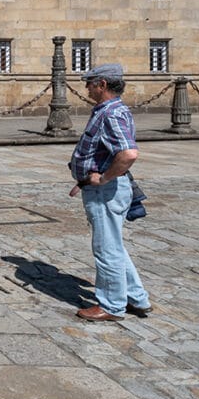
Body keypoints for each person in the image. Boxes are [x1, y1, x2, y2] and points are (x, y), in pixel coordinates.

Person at [69, 63, 151, 322]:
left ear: (102, 84)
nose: (87, 88)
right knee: (114, 245)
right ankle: (136, 297)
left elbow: (128, 153)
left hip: (106, 191)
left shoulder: (111, 114)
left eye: (90, 83)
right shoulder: (111, 110)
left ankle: (112, 305)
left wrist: (103, 178)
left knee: (106, 250)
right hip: (101, 188)